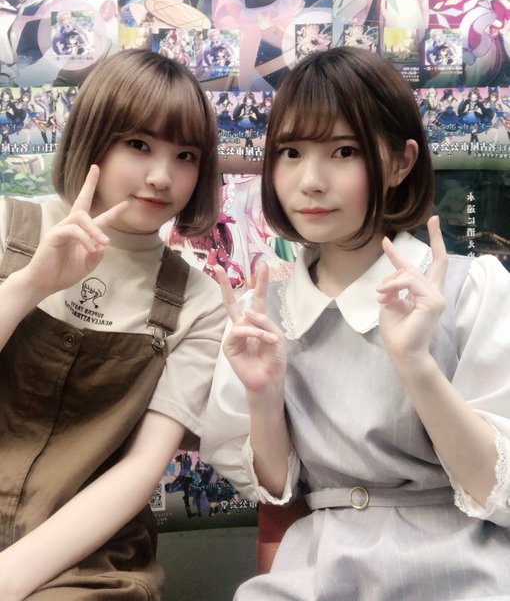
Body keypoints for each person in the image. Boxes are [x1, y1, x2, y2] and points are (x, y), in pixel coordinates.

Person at [201, 47, 510, 599]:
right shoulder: (261, 313)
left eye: (343, 151)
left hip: (463, 566)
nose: (310, 181)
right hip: (316, 568)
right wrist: (264, 399)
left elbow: (498, 489)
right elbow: (274, 492)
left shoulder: (474, 290)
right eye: (291, 152)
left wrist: (416, 366)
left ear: (400, 162)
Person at [0, 48, 225, 599]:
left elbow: (141, 469)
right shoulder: (7, 225)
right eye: (139, 145)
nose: (161, 177)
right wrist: (28, 286)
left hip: (88, 561)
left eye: (185, 156)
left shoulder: (200, 302)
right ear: (94, 138)